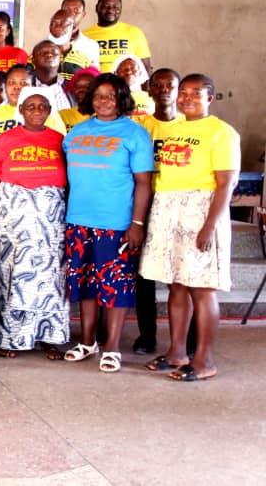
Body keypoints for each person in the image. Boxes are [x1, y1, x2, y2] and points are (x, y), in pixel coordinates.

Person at [140, 74, 238, 382]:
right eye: (183, 92)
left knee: (201, 287)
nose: (187, 98)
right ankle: (177, 353)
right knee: (176, 284)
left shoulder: (221, 132)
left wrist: (210, 225)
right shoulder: (174, 129)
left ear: (210, 98)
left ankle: (204, 360)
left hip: (200, 209)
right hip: (167, 207)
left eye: (196, 93)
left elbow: (226, 183)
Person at [61, 74, 154, 372]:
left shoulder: (135, 134)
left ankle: (112, 347)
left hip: (115, 223)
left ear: (122, 99)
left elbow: (143, 182)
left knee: (116, 286)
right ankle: (88, 341)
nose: (104, 101)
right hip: (78, 220)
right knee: (84, 284)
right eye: (98, 95)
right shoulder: (76, 132)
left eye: (111, 96)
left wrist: (137, 222)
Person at [0, 89, 68, 359]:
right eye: (30, 106)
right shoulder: (6, 139)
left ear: (50, 110)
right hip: (14, 220)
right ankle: (12, 337)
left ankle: (49, 337)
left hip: (49, 221)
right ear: (20, 110)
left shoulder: (59, 140)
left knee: (51, 278)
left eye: (43, 106)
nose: (37, 111)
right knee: (13, 275)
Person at [133, 68, 185, 355]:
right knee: (144, 275)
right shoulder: (140, 127)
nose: (164, 90)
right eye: (158, 85)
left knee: (182, 274)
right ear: (149, 90)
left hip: (179, 204)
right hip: (146, 203)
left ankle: (188, 339)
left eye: (170, 85)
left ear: (178, 91)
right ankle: (147, 336)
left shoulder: (188, 127)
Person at [0, 65, 65, 153]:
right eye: (12, 83)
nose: (16, 87)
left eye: (23, 83)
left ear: (33, 86)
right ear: (5, 87)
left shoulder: (48, 114)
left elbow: (60, 148)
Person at [83, 0, 152, 74]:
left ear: (121, 9)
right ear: (97, 8)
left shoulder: (134, 32)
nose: (111, 10)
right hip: (96, 81)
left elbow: (145, 69)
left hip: (126, 82)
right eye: (106, 6)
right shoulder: (84, 35)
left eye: (116, 7)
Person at [44, 9, 93, 88]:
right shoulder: (37, 56)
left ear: (73, 28)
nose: (57, 27)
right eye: (53, 23)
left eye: (63, 24)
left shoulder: (83, 60)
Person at [31, 40, 73, 112]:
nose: (49, 55)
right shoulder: (25, 87)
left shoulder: (72, 88)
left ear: (60, 59)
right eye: (43, 53)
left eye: (54, 53)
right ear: (33, 61)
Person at [60, 0, 101, 69]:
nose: (71, 15)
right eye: (67, 10)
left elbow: (93, 73)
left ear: (83, 15)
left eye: (76, 11)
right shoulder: (46, 43)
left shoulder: (91, 46)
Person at [113, 55, 154, 120]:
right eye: (123, 69)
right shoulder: (111, 98)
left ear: (140, 72)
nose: (129, 72)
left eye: (133, 68)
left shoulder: (151, 98)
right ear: (115, 73)